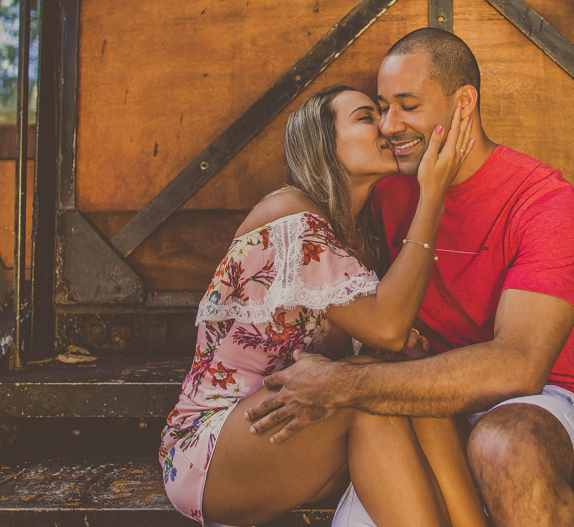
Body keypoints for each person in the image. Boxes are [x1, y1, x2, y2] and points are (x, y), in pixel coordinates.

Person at [246, 29, 574, 527]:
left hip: (533, 402)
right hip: (410, 401)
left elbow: (519, 366)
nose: (391, 126)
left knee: (505, 444)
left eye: (407, 105)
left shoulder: (544, 200)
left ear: (463, 103)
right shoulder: (386, 190)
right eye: (381, 108)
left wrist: (342, 382)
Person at [160, 83, 485, 527]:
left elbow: (385, 349)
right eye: (367, 117)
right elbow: (388, 329)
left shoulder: (355, 240)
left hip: (298, 430)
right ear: (323, 145)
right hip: (213, 448)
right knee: (372, 401)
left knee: (399, 395)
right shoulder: (291, 217)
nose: (388, 128)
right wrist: (433, 194)